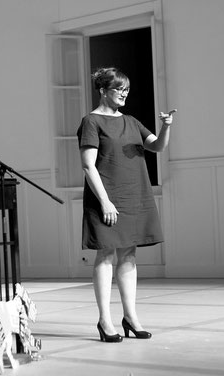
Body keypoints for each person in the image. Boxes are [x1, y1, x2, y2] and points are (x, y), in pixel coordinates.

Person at [76, 67, 175, 342]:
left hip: (135, 195)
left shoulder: (131, 121)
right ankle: (105, 321)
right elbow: (88, 166)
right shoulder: (91, 122)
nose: (124, 94)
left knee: (129, 255)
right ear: (103, 90)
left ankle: (130, 317)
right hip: (106, 197)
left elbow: (157, 147)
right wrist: (105, 201)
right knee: (106, 254)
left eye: (126, 90)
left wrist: (166, 127)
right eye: (119, 89)